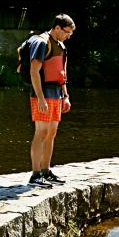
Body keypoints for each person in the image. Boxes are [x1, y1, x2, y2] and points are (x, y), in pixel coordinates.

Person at [27, 13, 76, 188]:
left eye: (70, 33)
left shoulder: (61, 45)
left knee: (51, 133)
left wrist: (66, 96)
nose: (68, 36)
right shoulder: (42, 42)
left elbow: (62, 73)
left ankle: (46, 171)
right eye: (67, 32)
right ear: (57, 28)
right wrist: (40, 98)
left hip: (56, 93)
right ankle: (35, 175)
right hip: (43, 93)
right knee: (41, 132)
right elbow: (34, 71)